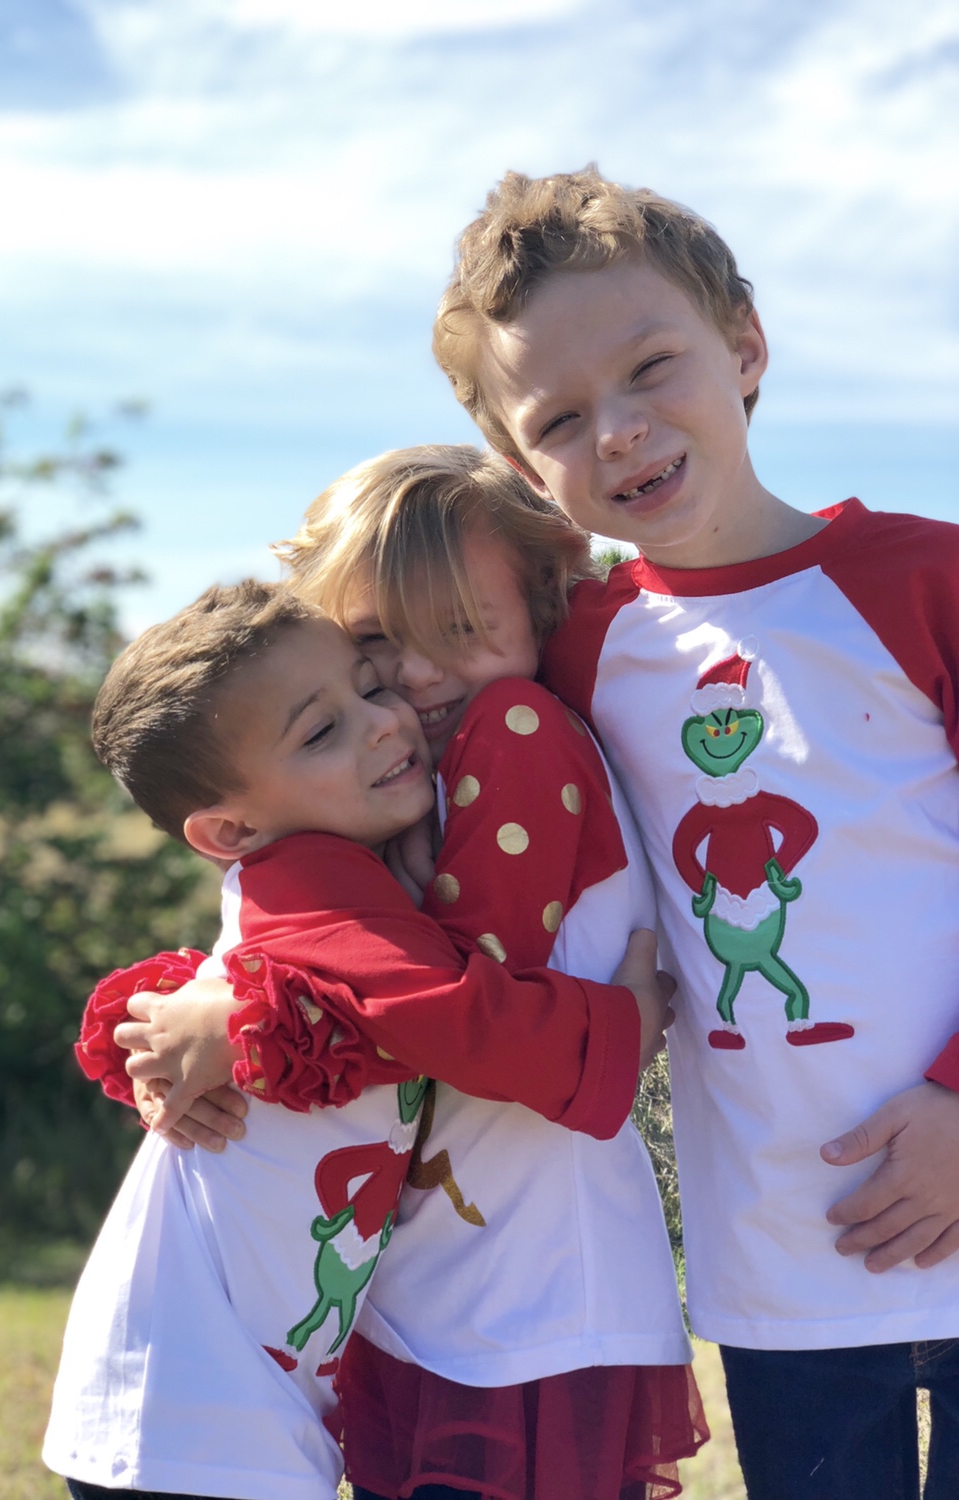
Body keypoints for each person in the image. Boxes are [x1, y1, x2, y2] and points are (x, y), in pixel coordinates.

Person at [426, 164, 959, 1500]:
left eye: (650, 367)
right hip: (778, 1263)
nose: (617, 431)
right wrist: (225, 991)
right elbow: (364, 784)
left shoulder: (926, 580)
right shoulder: (578, 650)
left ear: (745, 345)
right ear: (520, 465)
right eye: (558, 418)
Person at [86, 448, 706, 1500]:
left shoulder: (510, 728)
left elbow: (445, 1012)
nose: (409, 684)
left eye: (456, 628)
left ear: (538, 599)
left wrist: (239, 1016)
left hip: (521, 1281)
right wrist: (220, 1010)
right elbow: (394, 992)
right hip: (419, 1288)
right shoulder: (354, 817)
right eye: (374, 651)